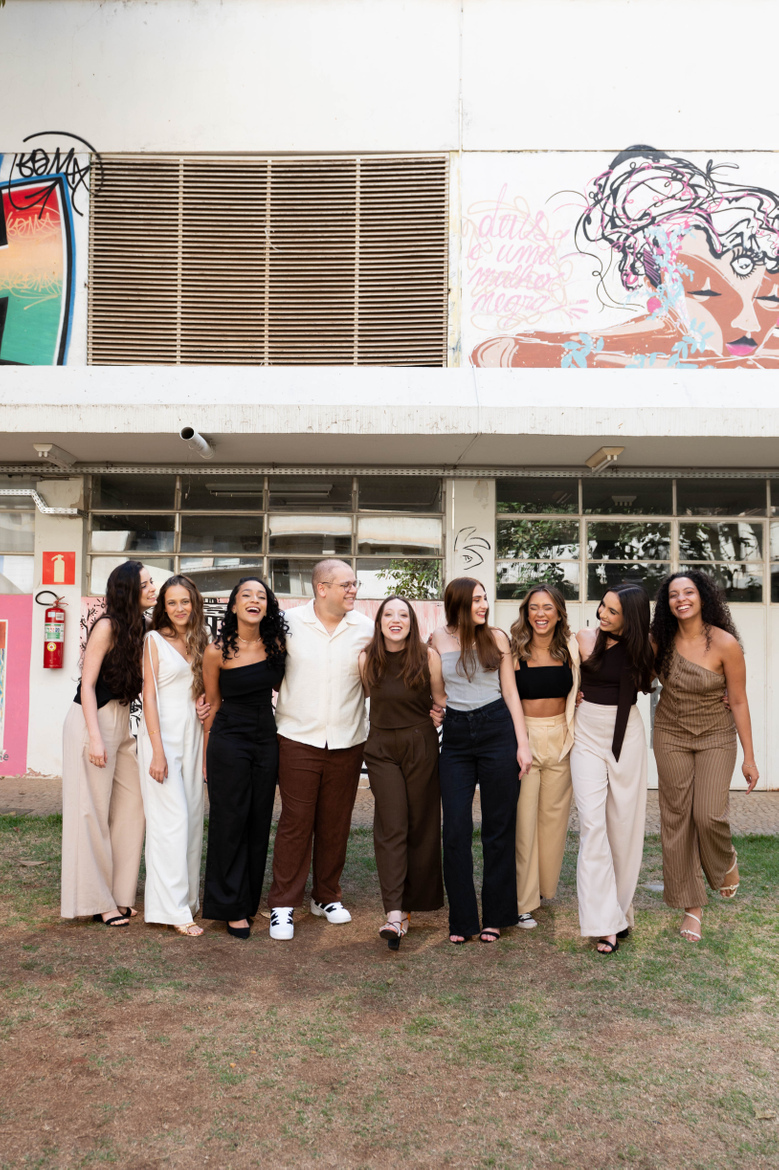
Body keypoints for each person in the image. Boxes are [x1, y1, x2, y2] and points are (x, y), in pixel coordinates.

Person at [471, 146, 779, 369]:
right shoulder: (636, 344)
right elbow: (497, 354)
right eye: (708, 292)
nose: (747, 322)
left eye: (770, 298)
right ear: (657, 283)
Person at [267, 559, 374, 941]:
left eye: (355, 584)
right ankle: (283, 904)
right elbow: (266, 670)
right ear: (322, 588)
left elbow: (377, 679)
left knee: (336, 822)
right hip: (297, 737)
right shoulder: (287, 623)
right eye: (346, 584)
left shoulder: (365, 628)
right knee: (296, 822)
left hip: (348, 739)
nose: (353, 590)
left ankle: (326, 895)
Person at [650, 571, 759, 943]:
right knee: (676, 818)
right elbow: (636, 678)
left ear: (703, 598)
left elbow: (738, 700)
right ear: (667, 603)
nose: (681, 599)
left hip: (715, 735)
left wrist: (749, 758)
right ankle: (692, 906)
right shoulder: (660, 641)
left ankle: (724, 859)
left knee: (708, 814)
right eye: (673, 594)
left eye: (688, 592)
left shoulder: (725, 644)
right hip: (671, 734)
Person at [430, 577, 532, 945]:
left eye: (485, 598)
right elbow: (439, 693)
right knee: (455, 829)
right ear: (457, 603)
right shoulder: (437, 640)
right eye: (476, 599)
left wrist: (522, 744)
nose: (484, 605)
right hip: (457, 737)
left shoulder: (497, 638)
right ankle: (462, 920)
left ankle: (496, 917)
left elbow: (511, 693)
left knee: (498, 828)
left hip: (497, 730)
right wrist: (435, 711)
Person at [61, 560, 156, 927]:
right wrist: (95, 738)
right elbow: (86, 685)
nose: (152, 588)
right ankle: (98, 901)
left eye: (151, 582)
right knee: (92, 810)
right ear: (128, 591)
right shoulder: (106, 626)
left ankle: (119, 893)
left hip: (121, 720)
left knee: (134, 804)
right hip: (92, 720)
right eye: (145, 584)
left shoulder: (143, 628)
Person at [201, 577, 288, 939]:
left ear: (267, 606)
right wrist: (206, 755)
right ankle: (230, 907)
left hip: (266, 738)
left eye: (261, 596)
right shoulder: (216, 651)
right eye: (246, 595)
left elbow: (284, 687)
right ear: (234, 606)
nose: (255, 600)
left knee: (258, 820)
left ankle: (247, 900)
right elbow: (212, 703)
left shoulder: (277, 645)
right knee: (229, 821)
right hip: (229, 739)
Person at [359, 595, 447, 949]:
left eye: (403, 615)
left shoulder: (428, 657)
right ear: (379, 622)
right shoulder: (366, 659)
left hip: (420, 744)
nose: (396, 620)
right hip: (381, 749)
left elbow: (440, 700)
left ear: (412, 623)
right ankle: (393, 913)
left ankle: (414, 904)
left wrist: (439, 714)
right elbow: (369, 696)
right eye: (389, 615)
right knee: (391, 824)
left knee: (422, 824)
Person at [572, 583, 654, 954]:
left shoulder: (647, 647)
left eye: (612, 611)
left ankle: (619, 912)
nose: (602, 614)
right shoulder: (585, 638)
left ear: (630, 618)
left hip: (627, 735)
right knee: (592, 824)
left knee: (623, 827)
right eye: (602, 606)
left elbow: (668, 678)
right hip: (587, 732)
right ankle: (604, 923)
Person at [137, 575, 210, 937]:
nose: (179, 609)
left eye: (185, 601)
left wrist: (203, 703)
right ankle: (171, 909)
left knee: (193, 819)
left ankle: (188, 900)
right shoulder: (153, 640)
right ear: (163, 608)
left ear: (194, 603)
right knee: (172, 821)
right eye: (171, 603)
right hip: (161, 737)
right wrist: (157, 752)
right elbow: (149, 696)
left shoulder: (200, 639)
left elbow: (202, 688)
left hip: (192, 734)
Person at [510, 584, 580, 929]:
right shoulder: (513, 650)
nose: (540, 614)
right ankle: (522, 902)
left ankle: (542, 890)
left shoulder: (571, 648)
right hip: (525, 739)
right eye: (534, 607)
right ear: (526, 612)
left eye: (548, 607)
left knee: (553, 822)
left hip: (562, 738)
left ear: (559, 613)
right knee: (525, 823)